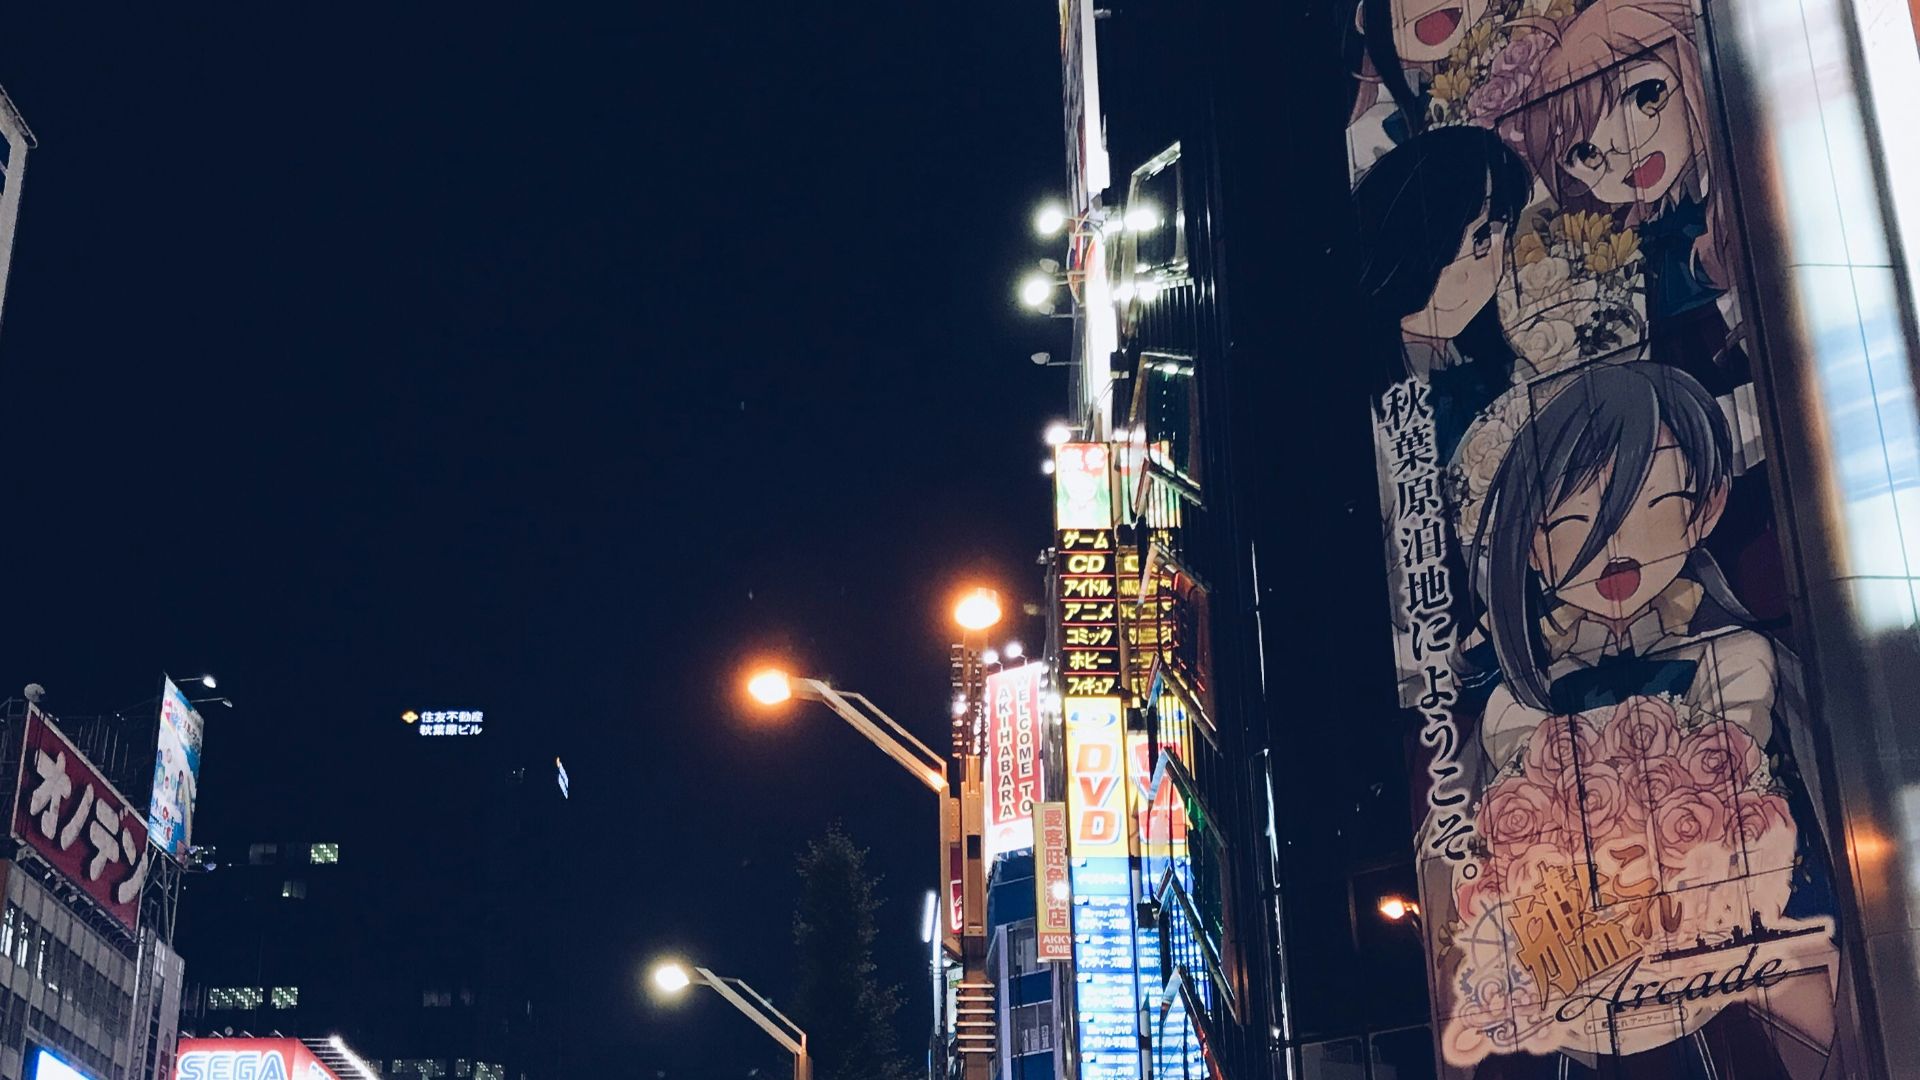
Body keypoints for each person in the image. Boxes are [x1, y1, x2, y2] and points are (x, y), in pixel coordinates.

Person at [1460, 362, 1836, 1078]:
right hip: (1584, 991)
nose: (1613, 542)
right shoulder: (1514, 707)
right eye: (1572, 519)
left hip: (1727, 961)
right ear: (1533, 546)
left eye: (1645, 499)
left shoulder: (1740, 660)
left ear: (1707, 506)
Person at [1355, 124, 1531, 461]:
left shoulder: (1503, 369)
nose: (1492, 269)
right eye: (1480, 240)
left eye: (1499, 238)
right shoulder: (1364, 406)